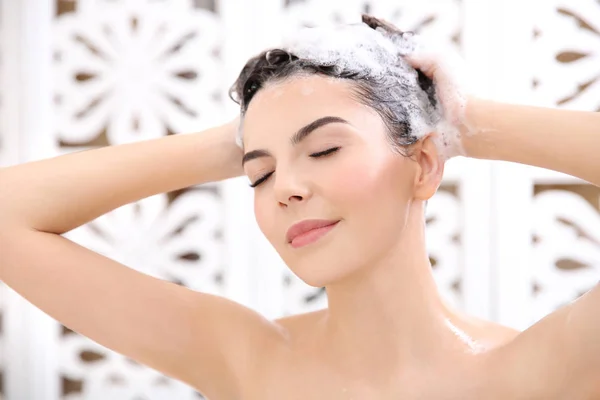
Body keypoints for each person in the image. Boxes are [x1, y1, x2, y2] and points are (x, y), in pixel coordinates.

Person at [0, 14, 599, 399]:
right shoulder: (243, 359)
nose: (284, 187)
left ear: (421, 166)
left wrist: (467, 123)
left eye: (324, 148)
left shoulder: (534, 373)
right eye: (258, 174)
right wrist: (236, 140)